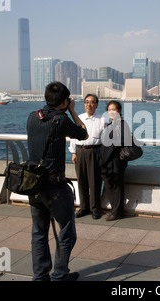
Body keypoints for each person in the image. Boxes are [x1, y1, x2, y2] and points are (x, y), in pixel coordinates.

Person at [27, 82, 88, 281]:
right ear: (64, 101)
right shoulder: (61, 120)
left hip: (34, 185)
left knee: (39, 232)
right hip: (55, 187)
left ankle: (40, 276)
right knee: (67, 232)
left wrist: (64, 107)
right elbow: (83, 132)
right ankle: (60, 275)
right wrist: (71, 110)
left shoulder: (32, 117)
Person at [69, 94, 106, 219]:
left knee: (95, 181)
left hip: (94, 152)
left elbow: (105, 140)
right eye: (86, 102)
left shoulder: (102, 120)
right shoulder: (79, 118)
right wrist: (73, 153)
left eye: (92, 102)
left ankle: (95, 209)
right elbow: (73, 137)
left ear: (96, 105)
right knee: (82, 180)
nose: (88, 105)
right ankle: (83, 207)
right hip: (80, 151)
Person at [99, 100, 131, 221]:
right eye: (110, 110)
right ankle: (114, 210)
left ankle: (117, 212)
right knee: (108, 186)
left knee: (117, 187)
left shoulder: (122, 124)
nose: (112, 112)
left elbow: (121, 141)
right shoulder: (108, 125)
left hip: (116, 161)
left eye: (114, 109)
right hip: (107, 161)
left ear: (119, 111)